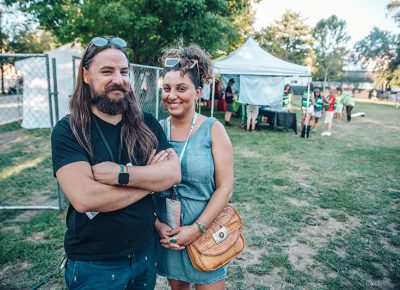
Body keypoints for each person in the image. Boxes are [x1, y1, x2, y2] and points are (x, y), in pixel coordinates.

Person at [51, 37, 181, 290]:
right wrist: (151, 180)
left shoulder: (147, 123)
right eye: (107, 71)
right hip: (95, 264)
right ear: (86, 75)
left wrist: (121, 174)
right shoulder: (69, 130)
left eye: (124, 72)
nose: (118, 80)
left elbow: (173, 173)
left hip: (145, 253)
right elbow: (86, 198)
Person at [154, 45, 234, 290]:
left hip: (206, 233)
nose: (172, 95)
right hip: (169, 235)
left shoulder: (213, 129)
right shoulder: (156, 130)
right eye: (167, 89)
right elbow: (144, 187)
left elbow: (225, 188)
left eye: (181, 88)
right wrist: (158, 226)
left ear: (198, 92)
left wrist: (197, 229)